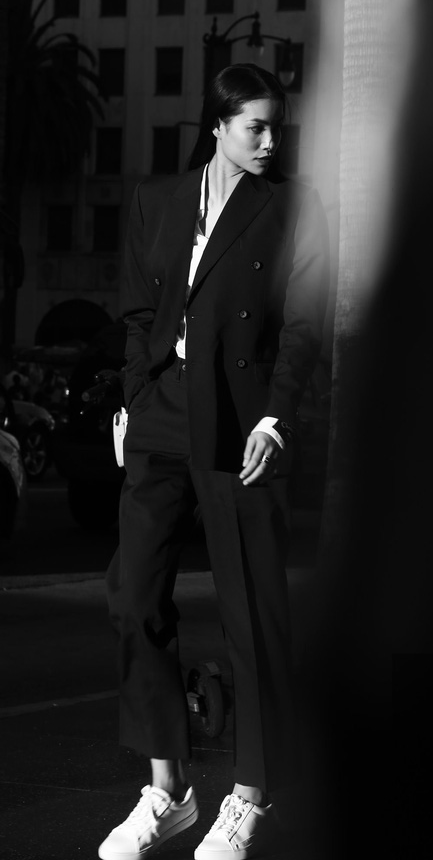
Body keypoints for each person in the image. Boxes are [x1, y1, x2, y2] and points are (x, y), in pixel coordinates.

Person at [98, 63, 329, 860]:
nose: (269, 141)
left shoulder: (292, 206)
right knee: (133, 597)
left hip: (241, 421)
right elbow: (138, 313)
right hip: (163, 412)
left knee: (252, 615)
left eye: (276, 128)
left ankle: (250, 797)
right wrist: (133, 399)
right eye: (254, 126)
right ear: (219, 125)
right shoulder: (157, 200)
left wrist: (276, 419)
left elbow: (303, 324)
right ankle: (167, 792)